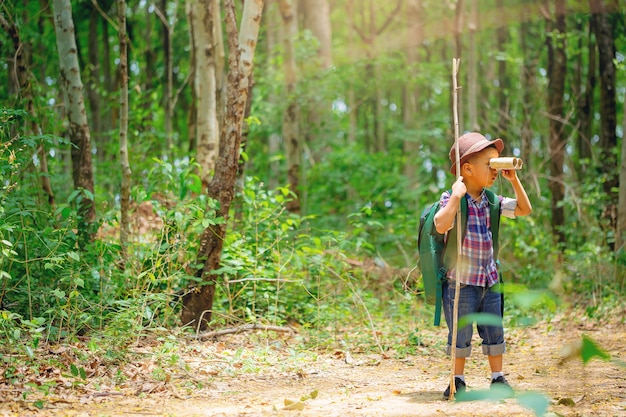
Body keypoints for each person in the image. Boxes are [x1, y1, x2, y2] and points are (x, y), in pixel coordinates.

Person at [433, 132, 532, 400]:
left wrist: (514, 180)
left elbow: (524, 209)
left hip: (489, 279)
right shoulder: (452, 199)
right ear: (467, 169)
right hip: (461, 281)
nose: (495, 171)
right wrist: (455, 196)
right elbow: (441, 224)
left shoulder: (492, 201)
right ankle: (457, 380)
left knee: (494, 329)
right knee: (460, 333)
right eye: (491, 165)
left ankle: (497, 378)